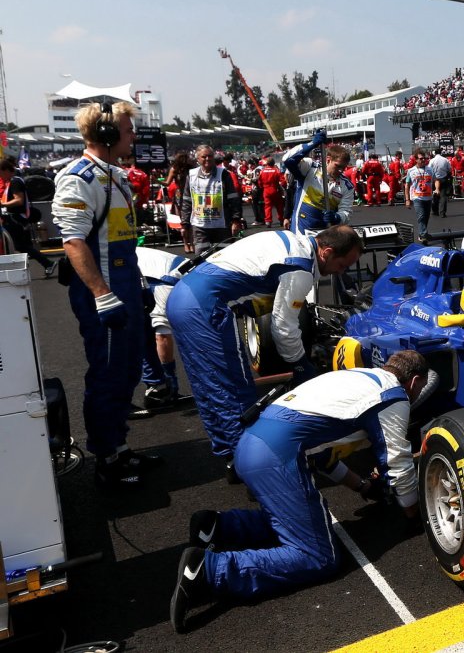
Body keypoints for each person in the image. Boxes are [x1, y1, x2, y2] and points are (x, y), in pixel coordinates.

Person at [169, 351, 429, 633]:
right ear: (414, 382)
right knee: (318, 555)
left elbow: (321, 452)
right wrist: (413, 513)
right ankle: (210, 572)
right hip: (274, 456)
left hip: (252, 444)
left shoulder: (356, 378)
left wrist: (363, 487)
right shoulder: (393, 396)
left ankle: (219, 526)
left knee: (302, 518)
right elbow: (396, 461)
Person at [165, 226, 363, 478]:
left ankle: (230, 455)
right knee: (234, 388)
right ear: (326, 252)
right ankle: (252, 468)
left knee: (209, 387)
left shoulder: (289, 240)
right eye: (342, 265)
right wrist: (300, 362)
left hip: (184, 296)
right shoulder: (299, 269)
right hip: (204, 306)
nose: (340, 272)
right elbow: (283, 327)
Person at [52, 101, 164, 488]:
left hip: (126, 289)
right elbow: (72, 242)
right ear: (107, 133)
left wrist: (140, 286)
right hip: (104, 296)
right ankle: (105, 458)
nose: (134, 135)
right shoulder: (78, 177)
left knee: (128, 371)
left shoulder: (114, 176)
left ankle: (118, 445)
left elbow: (123, 243)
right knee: (108, 374)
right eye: (129, 129)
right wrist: (102, 295)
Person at [135, 246, 186, 409]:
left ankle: (159, 385)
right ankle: (160, 387)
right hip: (154, 279)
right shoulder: (168, 283)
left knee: (147, 331)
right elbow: (162, 337)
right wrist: (171, 377)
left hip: (145, 275)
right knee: (156, 331)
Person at [283, 130, 353, 236]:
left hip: (326, 231)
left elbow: (346, 213)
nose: (341, 170)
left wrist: (337, 217)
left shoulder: (347, 186)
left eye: (343, 167)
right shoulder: (310, 167)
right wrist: (311, 144)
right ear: (328, 160)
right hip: (302, 229)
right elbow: (287, 159)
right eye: (338, 166)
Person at [1, 156, 59, 277]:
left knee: (19, 245)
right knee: (20, 245)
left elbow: (19, 200)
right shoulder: (13, 181)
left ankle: (47, 263)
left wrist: (2, 203)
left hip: (16, 218)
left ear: (6, 170)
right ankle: (44, 264)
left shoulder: (15, 182)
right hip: (15, 217)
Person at [179, 145, 243, 255]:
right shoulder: (191, 175)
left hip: (222, 225)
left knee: (224, 258)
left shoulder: (224, 174)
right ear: (198, 159)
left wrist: (236, 220)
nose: (207, 159)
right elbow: (186, 201)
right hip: (200, 226)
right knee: (201, 259)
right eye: (204, 157)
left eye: (210, 156)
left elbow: (233, 199)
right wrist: (184, 224)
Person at [405, 149, 436, 241]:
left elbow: (436, 180)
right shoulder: (411, 171)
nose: (423, 160)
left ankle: (422, 233)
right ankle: (423, 234)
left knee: (426, 217)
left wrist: (437, 189)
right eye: (421, 158)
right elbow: (407, 185)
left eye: (424, 158)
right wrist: (407, 199)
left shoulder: (430, 170)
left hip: (428, 197)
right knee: (421, 216)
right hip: (417, 197)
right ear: (416, 159)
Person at [258, 157, 285, 227]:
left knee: (267, 206)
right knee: (279, 206)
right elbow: (283, 181)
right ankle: (281, 220)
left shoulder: (262, 171)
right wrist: (281, 187)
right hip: (275, 190)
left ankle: (268, 221)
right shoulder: (276, 170)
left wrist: (262, 187)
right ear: (273, 163)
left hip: (266, 190)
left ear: (267, 163)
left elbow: (259, 182)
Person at [427, 148, 452, 217]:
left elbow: (429, 169)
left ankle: (435, 211)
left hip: (434, 179)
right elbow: (449, 169)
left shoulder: (432, 160)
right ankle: (442, 213)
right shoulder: (445, 160)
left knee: (434, 195)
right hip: (443, 178)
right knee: (443, 196)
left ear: (435, 153)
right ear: (441, 153)